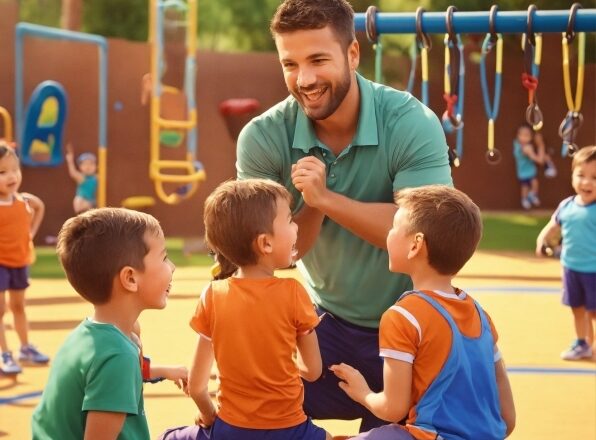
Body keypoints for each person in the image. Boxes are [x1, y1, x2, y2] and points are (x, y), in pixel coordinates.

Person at [236, 0, 452, 430]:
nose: (305, 79)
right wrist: (311, 207)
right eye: (290, 64)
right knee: (246, 407)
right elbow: (275, 256)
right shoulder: (262, 137)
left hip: (413, 322)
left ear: (353, 54)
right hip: (323, 325)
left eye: (318, 60)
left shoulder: (410, 122)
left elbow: (427, 238)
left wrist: (326, 199)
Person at [330, 185, 516, 440]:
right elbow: (508, 416)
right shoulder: (480, 314)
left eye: (394, 226)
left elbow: (393, 408)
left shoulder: (403, 316)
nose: (389, 233)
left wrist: (363, 392)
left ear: (416, 244)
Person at [159, 179, 331, 440]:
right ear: (266, 244)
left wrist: (208, 417)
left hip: (231, 430)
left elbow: (196, 386)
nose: (296, 227)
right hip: (292, 431)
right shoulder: (294, 293)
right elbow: (313, 370)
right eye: (289, 220)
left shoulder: (212, 295)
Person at [31, 207, 186, 439]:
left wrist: (166, 371)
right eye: (164, 257)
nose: (172, 267)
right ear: (130, 278)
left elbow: (111, 377)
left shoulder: (92, 334)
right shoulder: (117, 357)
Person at [536, 146, 596, 361]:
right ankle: (583, 343)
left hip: (594, 271)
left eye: (595, 177)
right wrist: (542, 239)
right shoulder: (567, 206)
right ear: (572, 176)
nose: (587, 182)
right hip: (571, 268)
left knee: (594, 312)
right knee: (577, 309)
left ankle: (590, 343)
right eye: (581, 175)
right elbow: (553, 226)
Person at [0, 142, 48, 375]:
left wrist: (30, 233)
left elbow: (40, 207)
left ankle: (25, 348)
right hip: (1, 263)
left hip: (19, 262)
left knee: (18, 306)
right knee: (0, 310)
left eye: (14, 169)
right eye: (2, 172)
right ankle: (5, 354)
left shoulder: (24, 202)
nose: (11, 176)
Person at [512, 124, 545, 210]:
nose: (524, 137)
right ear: (518, 136)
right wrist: (540, 145)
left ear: (531, 137)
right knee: (525, 186)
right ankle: (525, 199)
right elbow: (538, 160)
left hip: (530, 171)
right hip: (523, 172)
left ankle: (532, 195)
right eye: (522, 135)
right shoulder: (525, 147)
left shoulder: (519, 145)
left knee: (534, 183)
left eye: (527, 135)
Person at [65, 143, 98, 213]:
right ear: (80, 167)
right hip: (82, 200)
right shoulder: (82, 177)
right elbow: (73, 173)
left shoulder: (96, 177)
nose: (88, 167)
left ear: (96, 166)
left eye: (91, 164)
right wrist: (70, 161)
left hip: (91, 201)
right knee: (79, 201)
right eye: (85, 164)